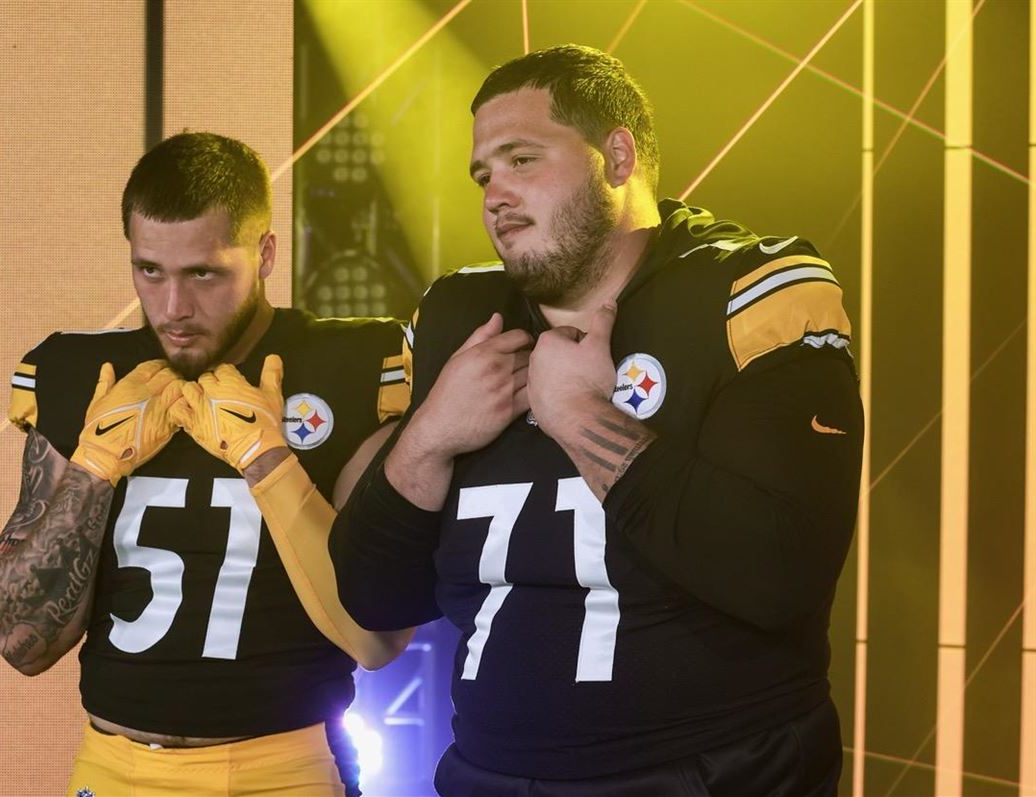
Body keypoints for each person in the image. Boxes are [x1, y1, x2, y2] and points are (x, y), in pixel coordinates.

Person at [329, 44, 864, 796]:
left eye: (521, 159)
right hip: (485, 773)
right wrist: (429, 436)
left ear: (616, 156)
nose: (494, 194)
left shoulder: (751, 288)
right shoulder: (457, 314)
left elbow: (779, 575)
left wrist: (581, 417)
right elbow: (374, 596)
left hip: (707, 772)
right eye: (483, 174)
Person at [0, 132, 413, 797]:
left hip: (282, 768)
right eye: (149, 270)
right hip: (113, 764)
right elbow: (22, 644)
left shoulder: (349, 364)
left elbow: (375, 639)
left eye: (203, 273)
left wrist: (267, 459)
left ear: (265, 253)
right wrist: (94, 469)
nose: (173, 307)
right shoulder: (77, 372)